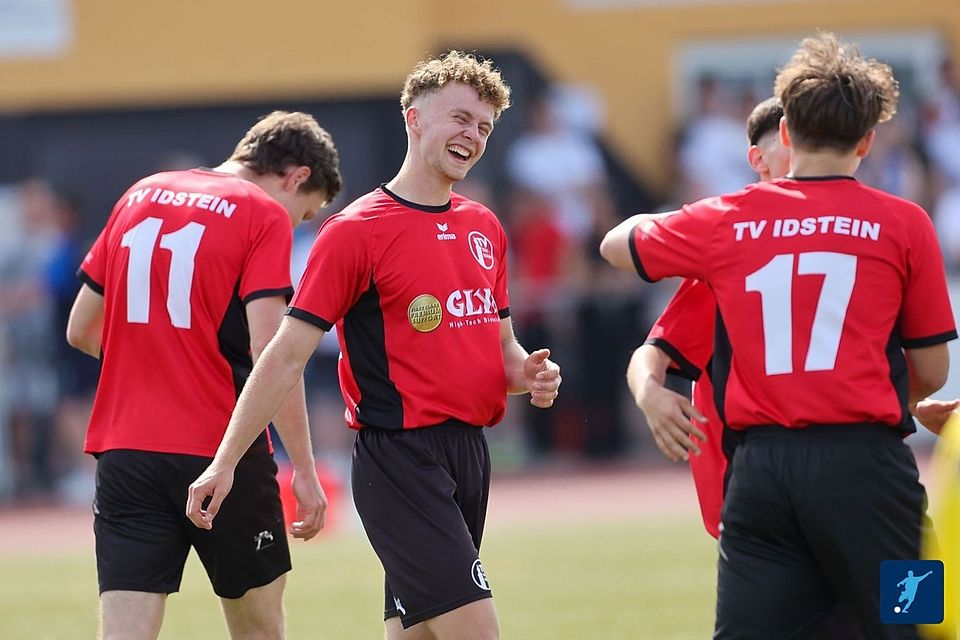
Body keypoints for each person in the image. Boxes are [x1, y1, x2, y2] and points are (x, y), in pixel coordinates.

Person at [186, 51, 562, 640]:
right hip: (400, 463)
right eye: (460, 118)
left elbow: (504, 353)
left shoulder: (484, 227)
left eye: (485, 126)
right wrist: (226, 462)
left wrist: (530, 374)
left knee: (417, 633)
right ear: (414, 119)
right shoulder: (355, 232)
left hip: (469, 455)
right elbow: (284, 355)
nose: (473, 135)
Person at [601, 32, 955, 639]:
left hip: (762, 477)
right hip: (871, 472)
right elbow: (932, 370)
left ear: (785, 134)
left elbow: (618, 244)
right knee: (914, 625)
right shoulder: (905, 223)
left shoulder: (728, 218)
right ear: (868, 140)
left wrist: (697, 222)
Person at [66, 110, 342, 640]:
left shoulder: (141, 193)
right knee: (259, 628)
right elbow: (272, 351)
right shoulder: (260, 213)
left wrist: (159, 357)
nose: (294, 226)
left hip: (125, 449)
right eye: (303, 215)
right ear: (296, 177)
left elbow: (81, 328)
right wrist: (304, 469)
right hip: (221, 452)